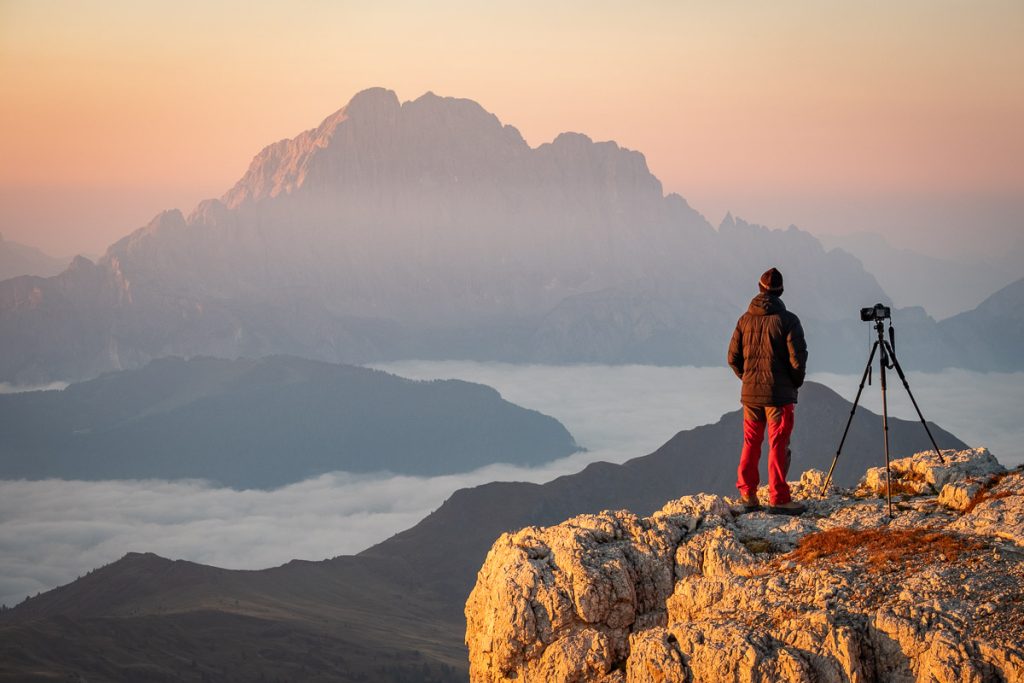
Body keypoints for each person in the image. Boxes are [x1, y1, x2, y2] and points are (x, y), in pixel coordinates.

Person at [727, 267, 808, 515]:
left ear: (759, 288)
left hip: (751, 395)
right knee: (778, 444)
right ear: (781, 291)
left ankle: (748, 495)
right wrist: (792, 384)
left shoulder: (744, 319)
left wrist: (748, 378)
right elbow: (798, 360)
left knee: (751, 442)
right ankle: (779, 498)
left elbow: (733, 358)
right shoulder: (789, 320)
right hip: (778, 397)